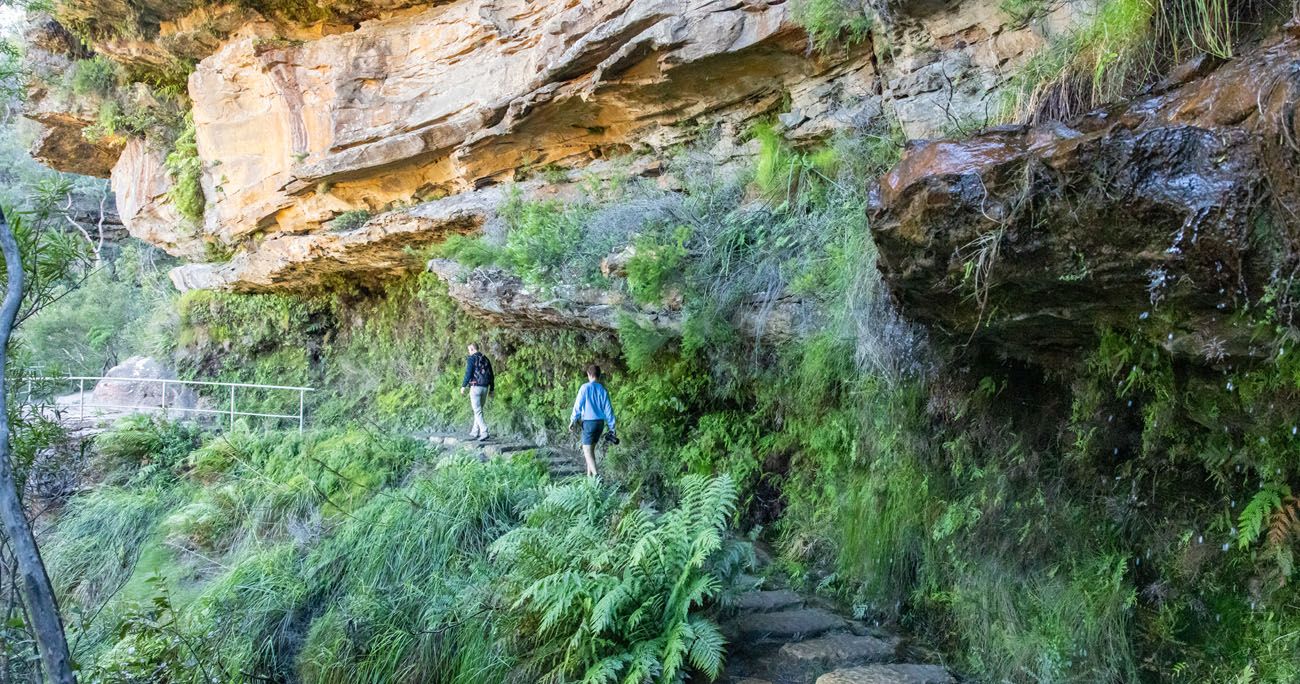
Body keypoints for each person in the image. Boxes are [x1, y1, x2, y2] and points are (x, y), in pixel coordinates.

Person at [568, 364, 617, 477]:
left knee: (586, 450)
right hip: (600, 423)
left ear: (588, 374)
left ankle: (596, 475)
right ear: (599, 375)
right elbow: (609, 410)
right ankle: (589, 479)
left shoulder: (585, 388)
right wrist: (612, 428)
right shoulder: (603, 389)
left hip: (589, 423)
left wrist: (573, 420)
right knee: (590, 451)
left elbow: (578, 405)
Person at [460, 343, 494, 441]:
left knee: (477, 411)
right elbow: (491, 375)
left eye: (469, 350)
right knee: (478, 410)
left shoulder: (472, 359)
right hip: (485, 388)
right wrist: (492, 389)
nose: (469, 352)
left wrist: (463, 386)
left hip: (475, 387)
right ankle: (475, 431)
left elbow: (468, 373)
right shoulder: (486, 359)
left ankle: (484, 431)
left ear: (472, 349)